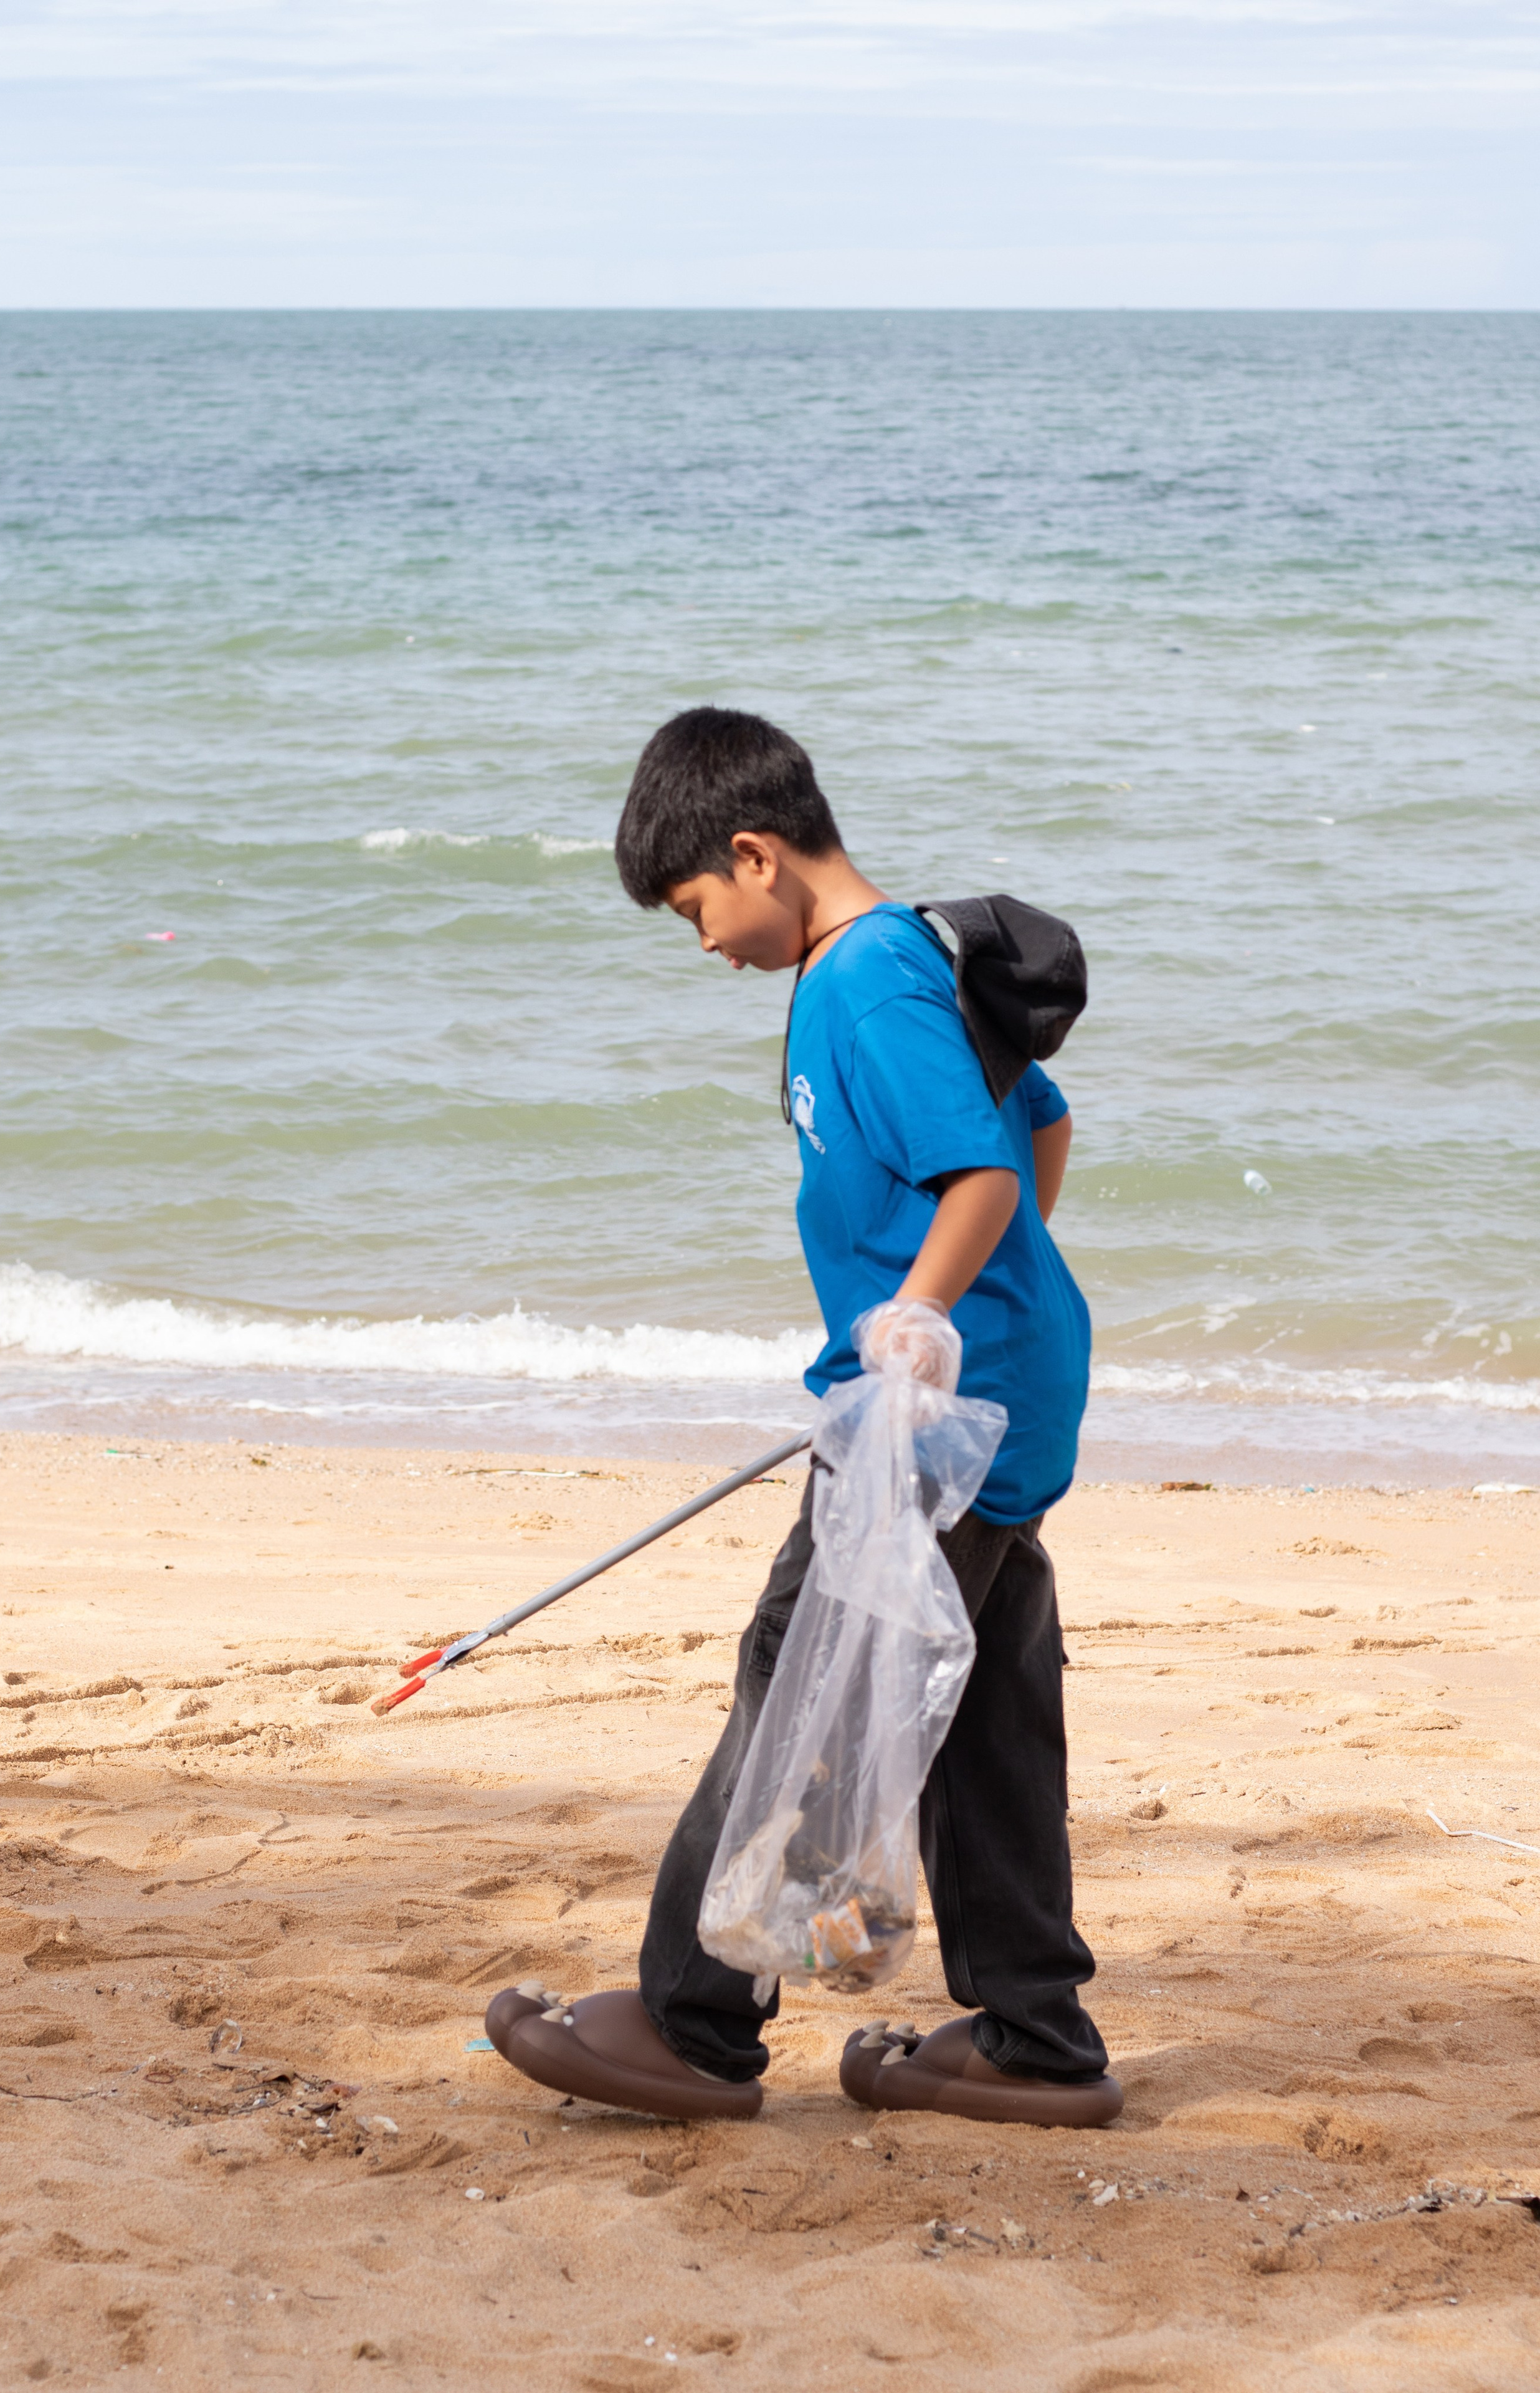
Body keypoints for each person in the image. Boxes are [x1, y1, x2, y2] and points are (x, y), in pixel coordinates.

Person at [487, 707, 1121, 2128]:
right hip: (999, 1400)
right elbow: (1044, 1122)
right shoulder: (903, 961)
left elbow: (983, 1177)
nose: (705, 945)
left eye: (696, 909)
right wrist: (994, 1299)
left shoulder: (865, 985)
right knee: (990, 1712)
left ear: (756, 854)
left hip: (933, 1423)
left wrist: (930, 1314)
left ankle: (691, 2026)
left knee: (797, 1680)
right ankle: (1036, 2039)